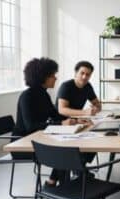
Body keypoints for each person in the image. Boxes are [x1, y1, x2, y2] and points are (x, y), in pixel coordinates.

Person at [12, 57, 86, 187]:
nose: (55, 78)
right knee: (65, 152)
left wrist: (74, 120)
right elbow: (31, 127)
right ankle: (62, 190)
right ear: (42, 77)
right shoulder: (27, 97)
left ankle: (55, 183)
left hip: (39, 139)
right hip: (23, 144)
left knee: (70, 148)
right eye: (52, 75)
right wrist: (61, 124)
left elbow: (55, 115)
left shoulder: (44, 94)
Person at [56, 61, 101, 164]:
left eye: (88, 74)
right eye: (82, 73)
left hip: (76, 121)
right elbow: (62, 110)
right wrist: (85, 112)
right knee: (86, 138)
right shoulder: (66, 86)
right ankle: (79, 168)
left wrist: (95, 109)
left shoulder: (87, 86)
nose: (85, 77)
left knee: (96, 134)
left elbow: (98, 105)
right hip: (61, 122)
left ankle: (80, 167)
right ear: (76, 73)